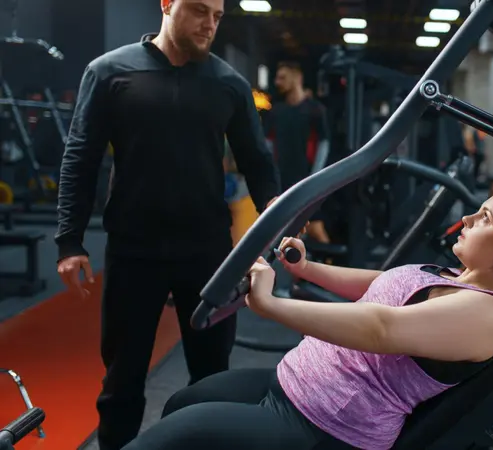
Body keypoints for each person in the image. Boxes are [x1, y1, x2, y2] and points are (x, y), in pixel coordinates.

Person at [121, 186, 493, 450]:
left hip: (325, 426)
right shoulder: (459, 276)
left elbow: (381, 328)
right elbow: (383, 283)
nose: (467, 218)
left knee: (169, 439)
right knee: (185, 402)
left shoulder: (486, 314)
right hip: (292, 385)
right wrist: (307, 269)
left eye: (484, 217)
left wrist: (273, 306)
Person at [54, 0, 281, 449]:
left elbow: (259, 165)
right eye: (199, 11)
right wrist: (69, 242)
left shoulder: (229, 84)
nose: (209, 25)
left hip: (208, 253)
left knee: (211, 381)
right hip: (134, 250)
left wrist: (279, 226)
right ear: (166, 4)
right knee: (122, 383)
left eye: (217, 17)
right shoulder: (109, 72)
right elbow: (80, 159)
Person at [263, 60, 331, 244]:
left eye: (282, 77)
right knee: (281, 232)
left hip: (307, 181)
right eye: (277, 78)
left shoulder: (315, 110)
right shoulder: (276, 111)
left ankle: (331, 269)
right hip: (282, 183)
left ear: (297, 78)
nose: (277, 82)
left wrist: (315, 178)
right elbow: (267, 146)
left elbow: (324, 145)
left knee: (316, 228)